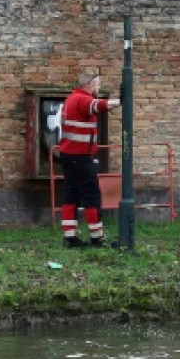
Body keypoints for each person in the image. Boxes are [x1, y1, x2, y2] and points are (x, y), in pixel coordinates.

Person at [58, 72, 120, 249]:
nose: (99, 89)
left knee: (71, 195)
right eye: (98, 85)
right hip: (80, 156)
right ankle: (97, 238)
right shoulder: (82, 99)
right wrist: (121, 101)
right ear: (90, 85)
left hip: (69, 155)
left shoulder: (71, 99)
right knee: (92, 195)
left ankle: (69, 237)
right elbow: (98, 106)